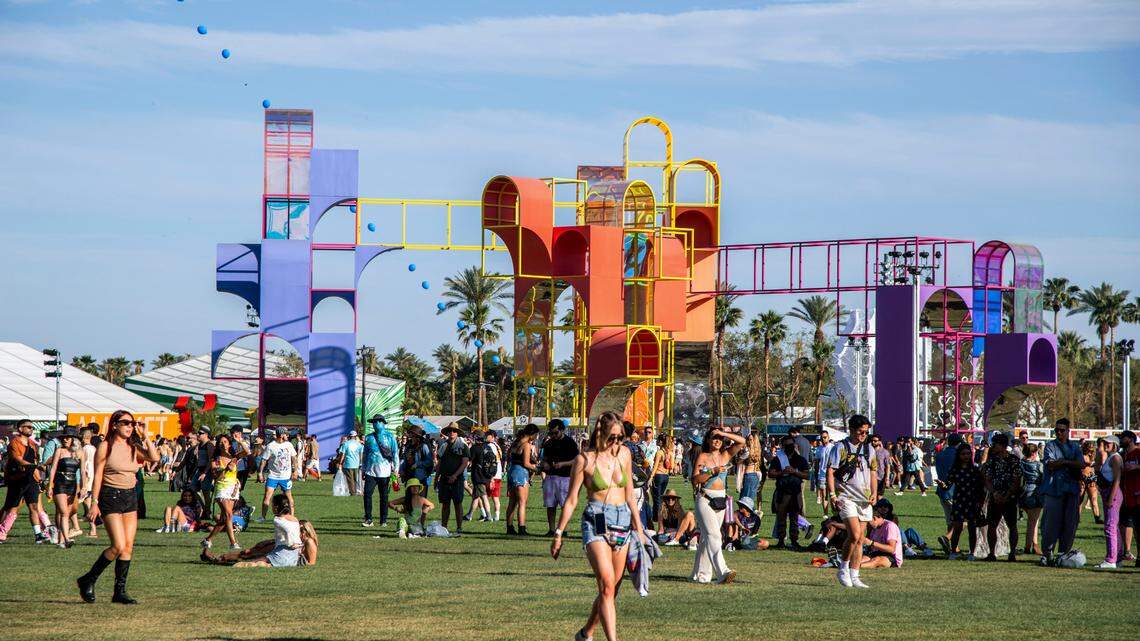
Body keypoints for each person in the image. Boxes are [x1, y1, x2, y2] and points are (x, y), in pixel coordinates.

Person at [551, 411, 647, 641]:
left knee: (612, 588)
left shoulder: (624, 454)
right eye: (612, 437)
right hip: (596, 521)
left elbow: (631, 495)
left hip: (622, 519)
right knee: (606, 584)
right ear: (600, 433)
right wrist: (558, 533)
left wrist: (640, 528)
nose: (616, 442)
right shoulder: (584, 459)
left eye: (620, 437)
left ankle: (586, 633)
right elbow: (572, 499)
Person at [77, 410, 159, 604]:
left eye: (132, 423)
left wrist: (146, 436)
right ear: (114, 425)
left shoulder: (133, 446)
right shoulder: (106, 446)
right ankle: (89, 579)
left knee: (128, 547)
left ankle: (119, 592)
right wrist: (94, 502)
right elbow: (97, 476)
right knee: (118, 545)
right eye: (125, 423)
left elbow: (154, 458)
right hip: (110, 496)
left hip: (130, 497)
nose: (130, 426)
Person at [825, 414, 877, 588]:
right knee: (853, 535)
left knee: (861, 539)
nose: (864, 435)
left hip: (864, 498)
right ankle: (843, 567)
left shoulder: (870, 449)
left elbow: (873, 473)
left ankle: (855, 575)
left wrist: (875, 493)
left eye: (866, 432)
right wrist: (832, 494)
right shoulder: (840, 447)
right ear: (852, 430)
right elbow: (831, 471)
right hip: (846, 496)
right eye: (861, 432)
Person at [690, 426, 745, 584]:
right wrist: (712, 472)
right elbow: (695, 480)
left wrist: (723, 433)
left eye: (720, 438)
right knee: (715, 535)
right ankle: (723, 572)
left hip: (720, 500)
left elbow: (742, 441)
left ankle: (700, 575)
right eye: (714, 437)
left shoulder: (726, 454)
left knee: (707, 539)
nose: (717, 440)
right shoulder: (703, 456)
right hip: (705, 499)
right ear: (707, 439)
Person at [201, 494, 318, 567]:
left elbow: (310, 563)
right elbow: (284, 537)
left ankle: (219, 560)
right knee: (248, 553)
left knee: (249, 557)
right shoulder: (293, 522)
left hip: (283, 553)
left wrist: (293, 546)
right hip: (279, 549)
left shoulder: (307, 542)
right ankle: (219, 559)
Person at [1039, 418, 1085, 565]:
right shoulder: (1050, 446)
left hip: (1071, 490)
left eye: (1062, 430)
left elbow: (1081, 464)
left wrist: (1064, 462)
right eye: (1056, 430)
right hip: (1054, 490)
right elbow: (1051, 464)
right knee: (1050, 524)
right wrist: (1068, 462)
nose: (1059, 432)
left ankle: (1063, 553)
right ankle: (1047, 554)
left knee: (1070, 524)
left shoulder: (1075, 446)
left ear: (1068, 431)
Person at [0, 419, 50, 543]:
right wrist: (35, 466)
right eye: (28, 427)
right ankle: (2, 533)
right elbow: (18, 459)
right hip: (17, 479)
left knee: (33, 506)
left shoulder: (32, 444)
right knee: (10, 508)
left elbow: (35, 461)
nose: (31, 429)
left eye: (32, 427)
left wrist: (39, 479)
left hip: (31, 479)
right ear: (20, 429)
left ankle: (38, 534)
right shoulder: (14, 443)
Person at [981, 432, 1021, 562]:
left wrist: (1007, 494)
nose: (993, 447)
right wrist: (994, 493)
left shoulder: (1014, 460)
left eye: (995, 444)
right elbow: (986, 478)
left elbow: (1017, 480)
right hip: (995, 496)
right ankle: (992, 553)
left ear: (1002, 445)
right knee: (992, 525)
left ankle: (1012, 553)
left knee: (1012, 525)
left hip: (1010, 497)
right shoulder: (992, 461)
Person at [201, 434, 242, 551]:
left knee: (225, 519)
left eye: (225, 441)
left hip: (233, 489)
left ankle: (207, 540)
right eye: (220, 442)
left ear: (229, 444)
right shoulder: (215, 459)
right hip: (221, 488)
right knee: (229, 514)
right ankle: (233, 543)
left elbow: (247, 452)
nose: (223, 444)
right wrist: (225, 468)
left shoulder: (234, 457)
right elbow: (216, 475)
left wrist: (240, 441)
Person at [769, 434, 809, 549]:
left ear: (794, 445)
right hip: (782, 491)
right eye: (786, 445)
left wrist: (794, 472)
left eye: (791, 444)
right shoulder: (778, 458)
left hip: (795, 492)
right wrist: (782, 472)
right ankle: (781, 540)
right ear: (783, 446)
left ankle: (794, 540)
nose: (789, 447)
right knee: (781, 517)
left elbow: (807, 475)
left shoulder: (800, 459)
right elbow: (771, 473)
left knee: (794, 517)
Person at [541, 419, 579, 536]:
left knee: (565, 505)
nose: (553, 435)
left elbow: (577, 460)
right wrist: (545, 464)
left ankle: (563, 529)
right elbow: (544, 459)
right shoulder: (548, 443)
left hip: (565, 478)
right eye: (551, 433)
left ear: (562, 430)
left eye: (555, 433)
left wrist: (563, 464)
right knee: (550, 505)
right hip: (550, 477)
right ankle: (551, 529)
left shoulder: (570, 443)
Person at [46, 427, 83, 548]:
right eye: (63, 437)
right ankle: (67, 539)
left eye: (68, 437)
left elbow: (83, 472)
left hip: (72, 485)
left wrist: (84, 487)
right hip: (60, 483)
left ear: (74, 439)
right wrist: (50, 486)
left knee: (67, 512)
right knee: (64, 512)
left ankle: (61, 541)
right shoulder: (59, 451)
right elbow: (53, 469)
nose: (65, 439)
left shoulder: (80, 453)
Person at [946, 443, 983, 560]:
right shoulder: (955, 470)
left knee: (972, 528)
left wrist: (980, 502)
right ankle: (953, 551)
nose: (966, 456)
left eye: (968, 454)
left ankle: (971, 553)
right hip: (959, 501)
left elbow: (980, 487)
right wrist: (942, 485)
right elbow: (948, 484)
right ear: (959, 455)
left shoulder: (975, 470)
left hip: (972, 501)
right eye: (963, 454)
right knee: (957, 527)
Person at [362, 415, 398, 528]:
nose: (375, 424)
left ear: (383, 423)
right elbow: (365, 454)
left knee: (384, 497)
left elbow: (395, 453)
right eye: (373, 422)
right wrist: (363, 469)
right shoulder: (368, 438)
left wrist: (396, 470)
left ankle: (383, 520)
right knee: (367, 494)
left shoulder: (390, 437)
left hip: (385, 472)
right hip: (370, 472)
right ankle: (368, 519)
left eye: (378, 422)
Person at [1094, 435, 1124, 568]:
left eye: (1108, 443)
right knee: (1113, 527)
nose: (1105, 444)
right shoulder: (1110, 457)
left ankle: (1111, 560)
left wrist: (1110, 498)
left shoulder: (1116, 458)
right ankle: (1116, 558)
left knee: (1110, 527)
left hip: (1113, 493)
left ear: (1115, 445)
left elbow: (1117, 479)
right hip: (1108, 493)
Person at [435, 423, 470, 536]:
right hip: (444, 478)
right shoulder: (443, 446)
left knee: (457, 503)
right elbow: (439, 463)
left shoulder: (463, 446)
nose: (452, 433)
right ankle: (444, 528)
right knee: (445, 504)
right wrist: (436, 478)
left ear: (457, 433)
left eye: (454, 431)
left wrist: (455, 475)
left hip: (457, 479)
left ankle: (459, 527)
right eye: (450, 431)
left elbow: (465, 463)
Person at [505, 424, 540, 536]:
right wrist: (537, 469)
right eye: (536, 435)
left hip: (512, 472)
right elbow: (526, 463)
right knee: (522, 502)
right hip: (521, 473)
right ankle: (522, 528)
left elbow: (509, 457)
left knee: (512, 502)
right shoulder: (526, 445)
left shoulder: (515, 443)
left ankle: (509, 527)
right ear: (532, 434)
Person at [258, 428, 298, 521]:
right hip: (273, 476)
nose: (287, 435)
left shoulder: (289, 445)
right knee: (267, 496)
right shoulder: (271, 446)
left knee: (289, 498)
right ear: (281, 435)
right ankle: (263, 517)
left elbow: (294, 459)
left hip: (286, 477)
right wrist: (260, 473)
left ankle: (291, 517)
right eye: (285, 434)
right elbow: (264, 460)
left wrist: (295, 471)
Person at [933, 433, 963, 554]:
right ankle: (947, 538)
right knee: (963, 521)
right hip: (956, 491)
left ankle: (953, 547)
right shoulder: (959, 456)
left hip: (942, 491)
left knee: (950, 521)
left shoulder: (940, 455)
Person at [1118, 430, 1140, 568]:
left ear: (1131, 439)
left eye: (1123, 438)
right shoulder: (1122, 455)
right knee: (1125, 526)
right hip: (1125, 497)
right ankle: (1125, 552)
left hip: (1137, 496)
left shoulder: (1138, 453)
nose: (1120, 440)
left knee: (1139, 529)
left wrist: (1136, 466)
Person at [1019, 443, 1045, 556]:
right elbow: (1044, 478)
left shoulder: (1021, 464)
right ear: (1035, 453)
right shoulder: (1039, 465)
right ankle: (1031, 545)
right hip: (1035, 493)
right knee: (1033, 522)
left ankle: (1030, 545)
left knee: (1032, 521)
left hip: (1023, 493)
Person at [861, 504, 903, 569]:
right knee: (862, 559)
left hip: (891, 556)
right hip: (876, 553)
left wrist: (871, 543)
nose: (868, 523)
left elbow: (891, 549)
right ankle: (850, 565)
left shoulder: (890, 526)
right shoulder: (875, 528)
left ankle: (854, 567)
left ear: (874, 518)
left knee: (876, 560)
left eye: (869, 521)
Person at [79, 425, 98, 538]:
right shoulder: (93, 448)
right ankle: (92, 530)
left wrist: (84, 484)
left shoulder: (85, 449)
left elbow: (84, 466)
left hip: (86, 479)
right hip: (92, 478)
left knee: (78, 505)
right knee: (88, 505)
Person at [738, 433, 763, 508]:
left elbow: (738, 461)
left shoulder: (747, 451)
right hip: (755, 475)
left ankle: (747, 517)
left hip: (749, 475)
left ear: (754, 441)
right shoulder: (758, 451)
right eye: (748, 439)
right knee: (749, 499)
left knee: (745, 500)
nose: (748, 441)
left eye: (750, 439)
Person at [337, 431, 364, 496]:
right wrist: (361, 463)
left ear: (349, 436)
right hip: (356, 464)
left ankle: (353, 493)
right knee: (355, 479)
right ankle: (356, 491)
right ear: (355, 436)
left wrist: (340, 462)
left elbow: (342, 454)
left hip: (348, 464)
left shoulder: (346, 444)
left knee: (350, 479)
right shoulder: (359, 444)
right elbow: (361, 455)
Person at [815, 430, 836, 507]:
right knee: (825, 496)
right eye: (821, 438)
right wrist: (816, 474)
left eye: (825, 437)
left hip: (832, 475)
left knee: (833, 495)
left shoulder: (833, 448)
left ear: (828, 437)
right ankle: (825, 514)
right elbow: (817, 463)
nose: (823, 439)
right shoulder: (819, 449)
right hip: (822, 474)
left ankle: (835, 512)